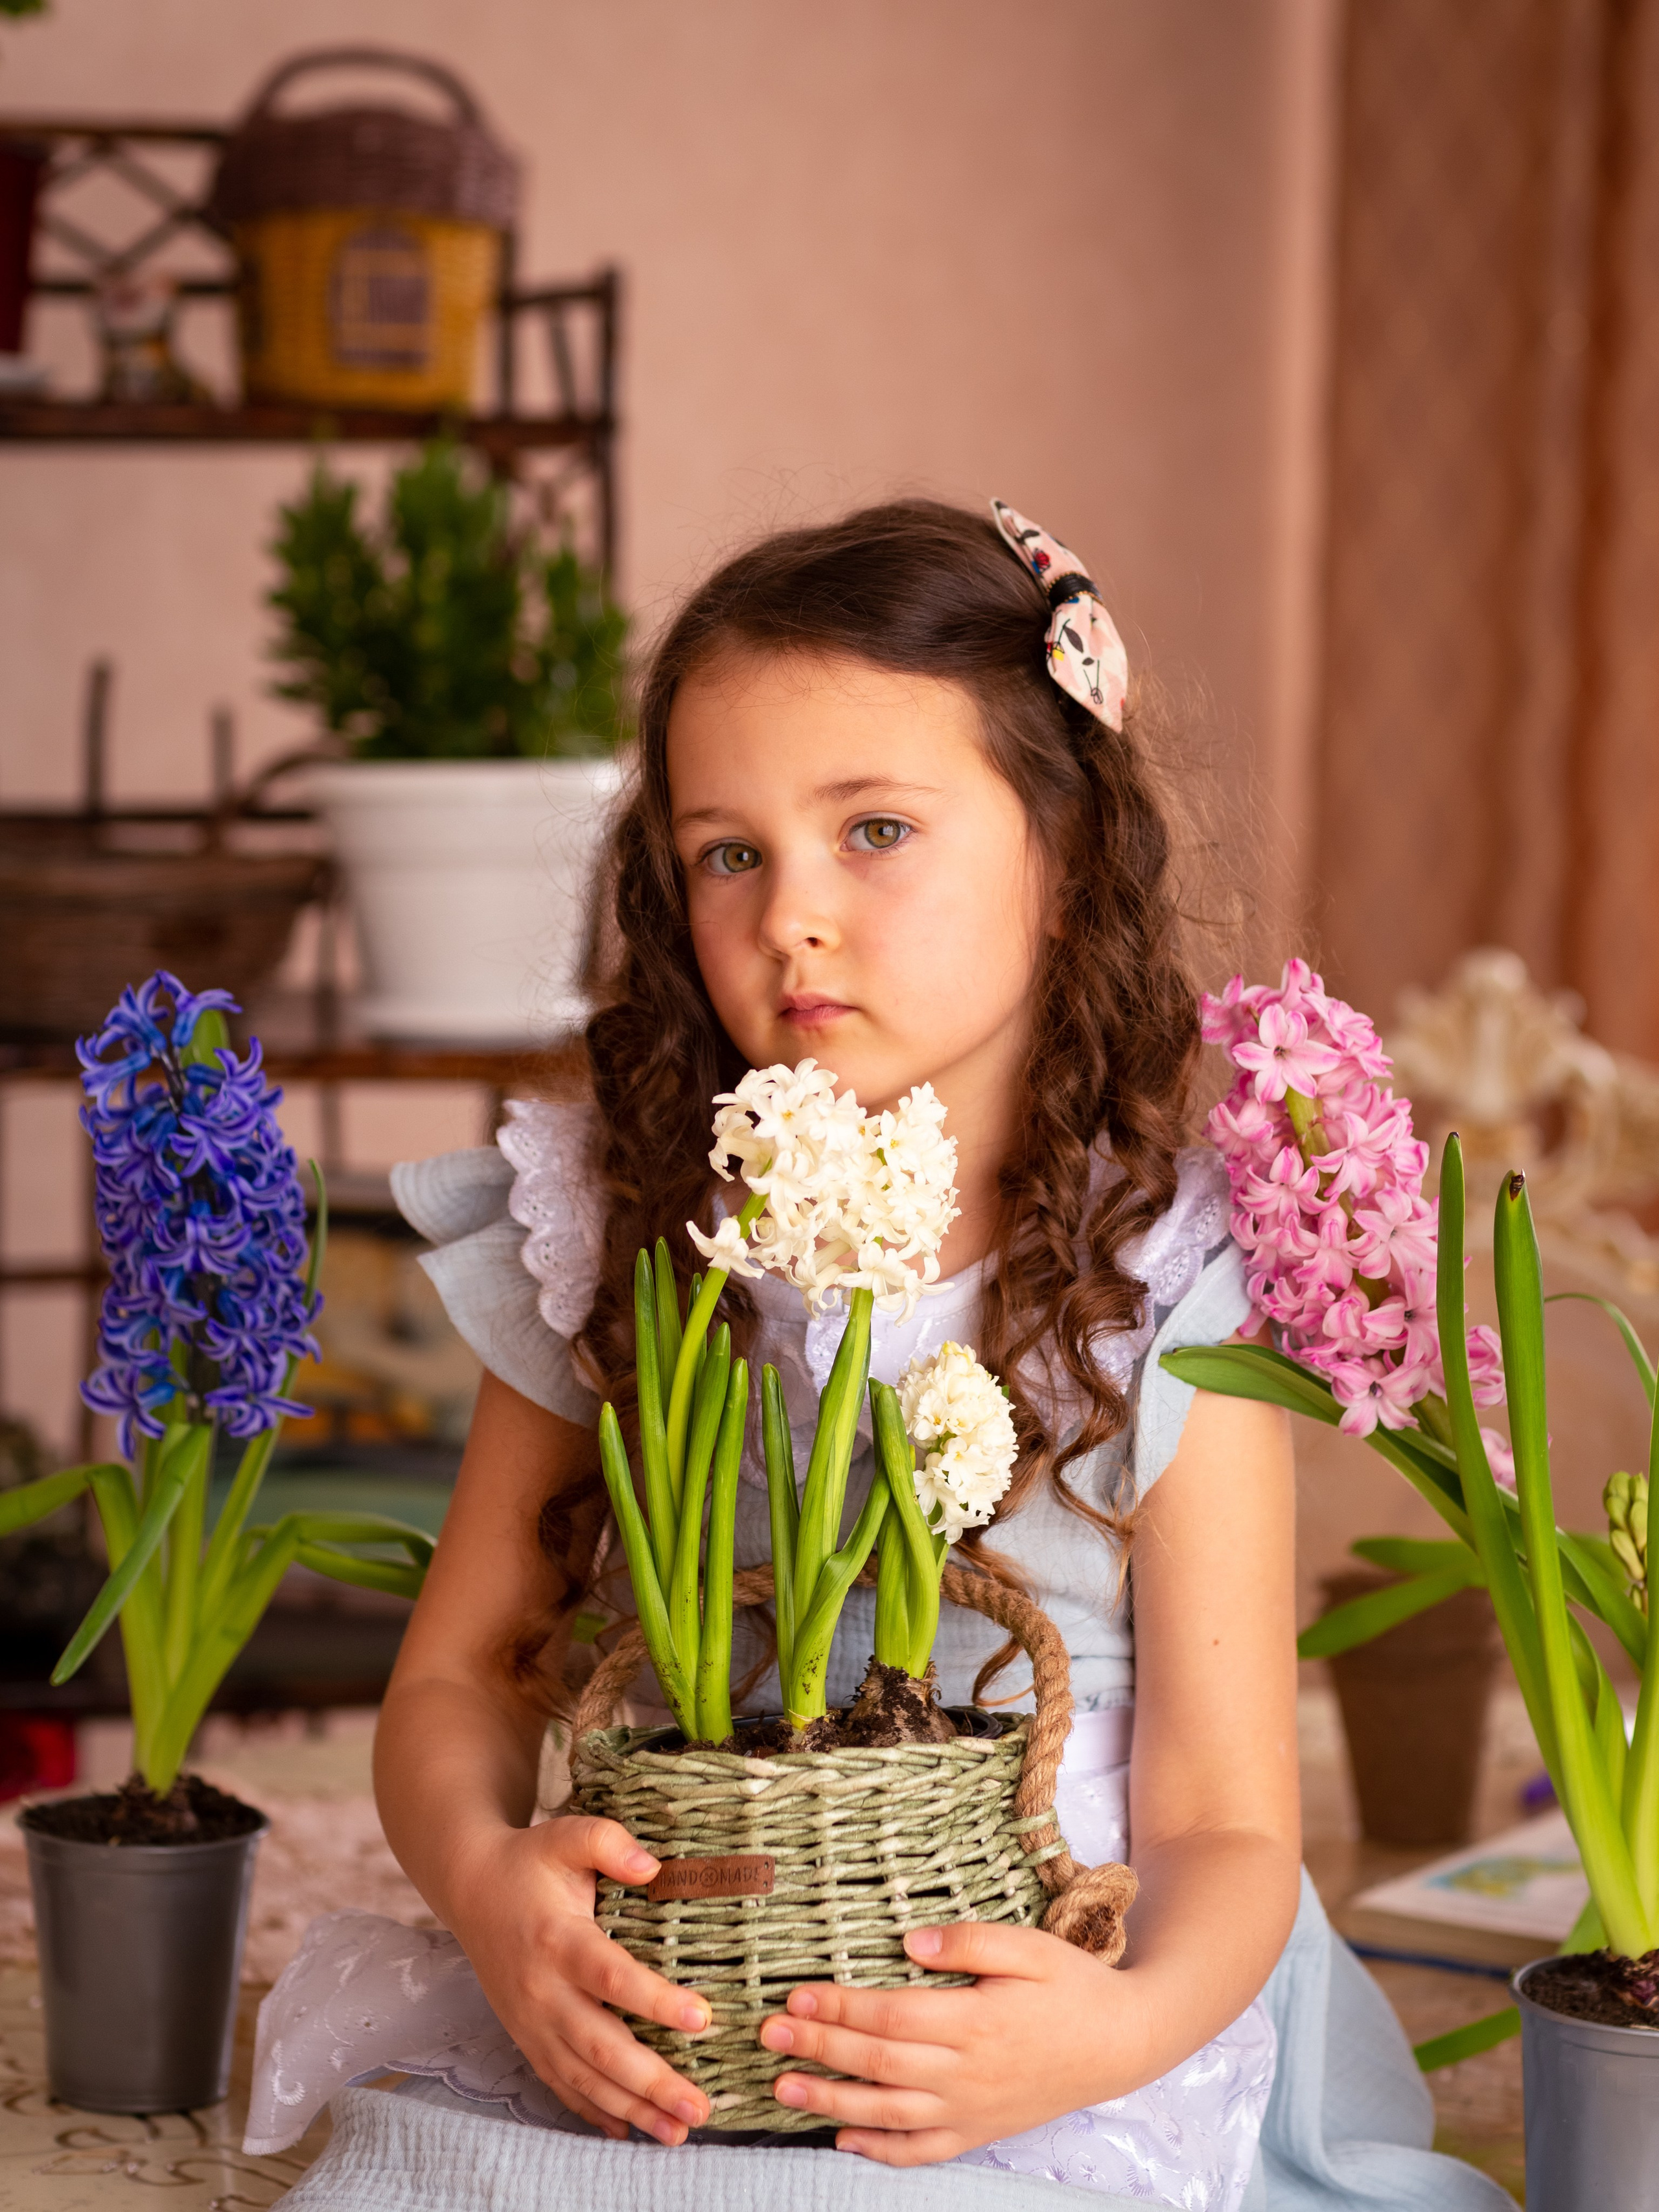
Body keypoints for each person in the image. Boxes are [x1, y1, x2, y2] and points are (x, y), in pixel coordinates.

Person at [259, 501, 1511, 2212]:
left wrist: (1111, 2032)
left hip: (1054, 2010)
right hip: (692, 2006)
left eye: (876, 831)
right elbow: (457, 1687)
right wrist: (491, 1886)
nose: (794, 918)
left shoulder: (1169, 1269)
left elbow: (1227, 1816)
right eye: (729, 853)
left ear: (1064, 863)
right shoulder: (622, 1220)